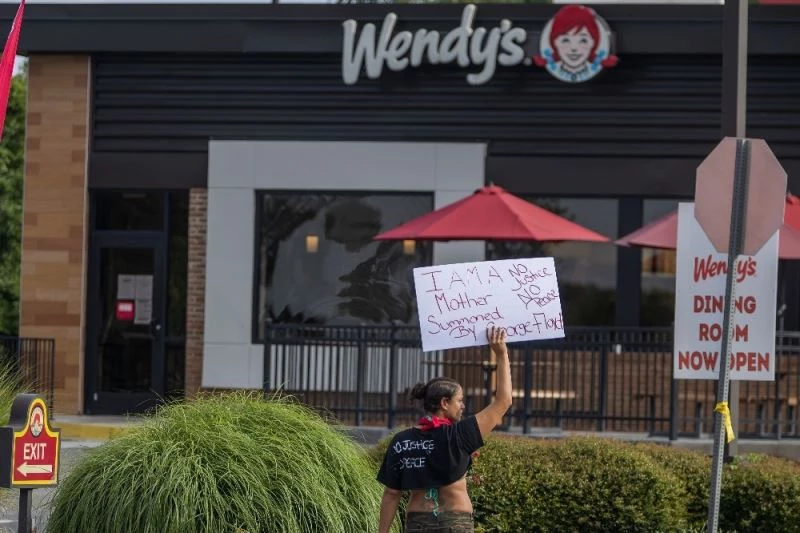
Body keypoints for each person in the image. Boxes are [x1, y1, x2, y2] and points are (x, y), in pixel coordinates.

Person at [377, 326, 512, 533]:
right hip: (455, 522)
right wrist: (501, 355)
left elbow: (392, 493)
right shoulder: (460, 435)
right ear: (444, 403)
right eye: (459, 400)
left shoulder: (401, 441)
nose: (463, 406)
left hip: (418, 523)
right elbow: (503, 401)